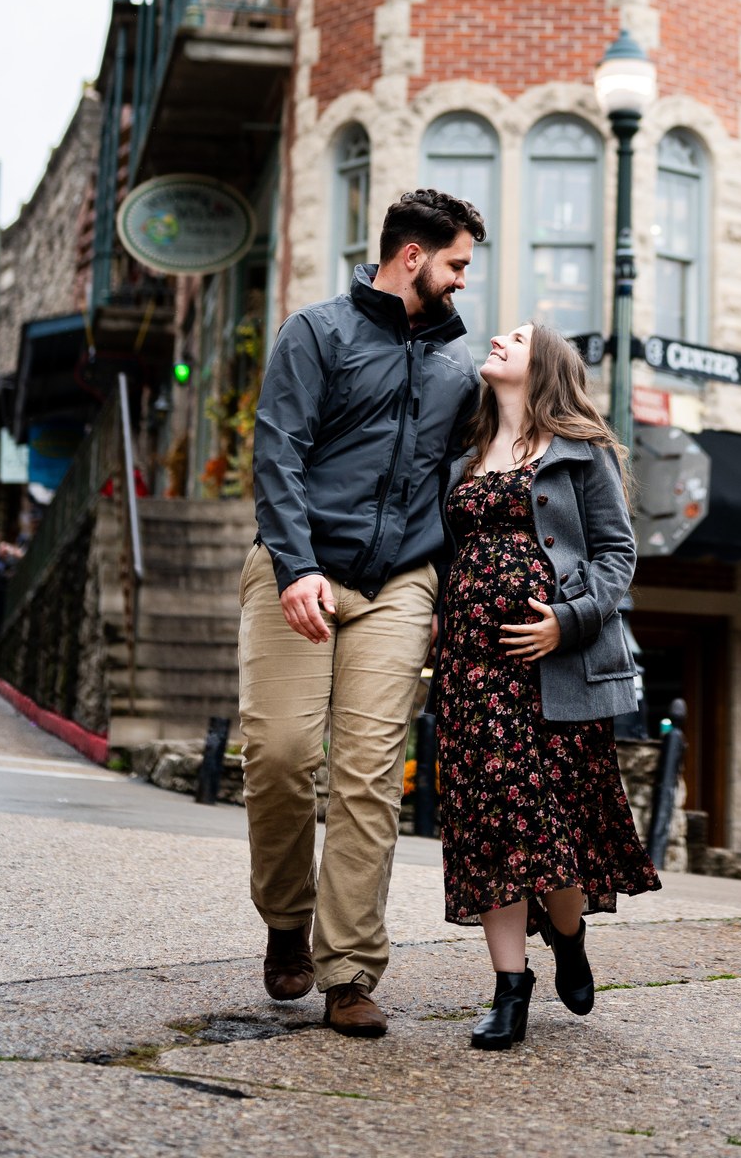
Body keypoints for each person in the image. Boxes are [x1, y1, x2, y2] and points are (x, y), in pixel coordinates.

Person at [240, 187, 484, 1037]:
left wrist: (452, 592)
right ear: (411, 256)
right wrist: (295, 566)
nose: (462, 281)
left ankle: (348, 971)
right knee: (279, 753)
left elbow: (462, 486)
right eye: (455, 264)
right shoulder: (317, 332)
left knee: (371, 777)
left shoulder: (459, 369)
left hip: (400, 583)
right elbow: (278, 451)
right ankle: (284, 918)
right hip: (298, 567)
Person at [435, 320, 661, 1051]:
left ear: (545, 366)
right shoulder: (463, 453)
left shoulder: (579, 452)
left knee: (548, 824)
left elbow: (616, 554)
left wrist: (567, 621)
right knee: (490, 826)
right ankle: (509, 987)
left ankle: (566, 934)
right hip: (471, 672)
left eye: (517, 337)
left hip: (551, 672)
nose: (499, 339)